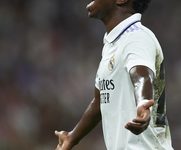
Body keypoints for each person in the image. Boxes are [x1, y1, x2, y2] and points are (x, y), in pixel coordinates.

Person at [55, 0, 174, 149]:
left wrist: (143, 103)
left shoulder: (136, 36)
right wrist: (72, 137)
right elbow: (100, 102)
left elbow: (142, 76)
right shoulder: (114, 43)